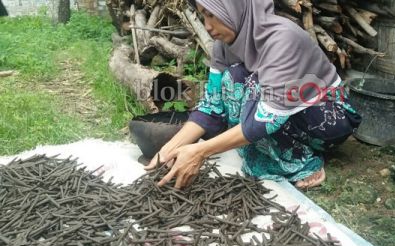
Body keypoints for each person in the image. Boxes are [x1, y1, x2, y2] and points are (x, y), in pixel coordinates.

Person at [145, 0, 361, 189]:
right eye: (203, 16)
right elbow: (212, 104)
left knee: (255, 85)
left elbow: (268, 118)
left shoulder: (282, 38)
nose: (208, 26)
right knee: (233, 78)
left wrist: (200, 151)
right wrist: (170, 149)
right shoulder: (223, 45)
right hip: (282, 111)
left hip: (327, 116)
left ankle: (304, 162)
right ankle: (279, 151)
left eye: (212, 14)